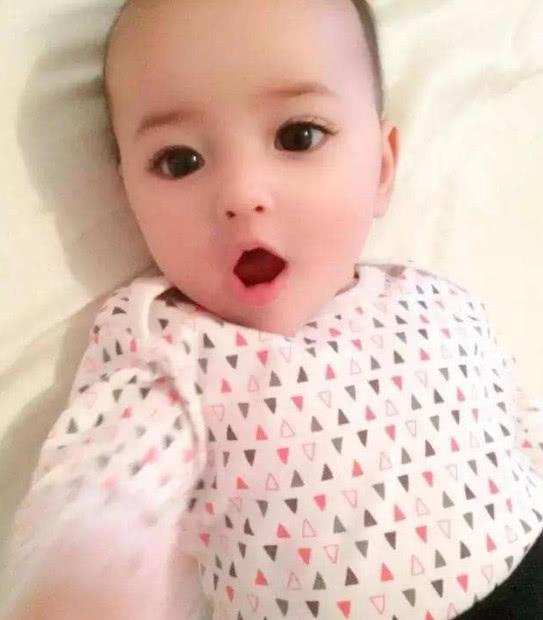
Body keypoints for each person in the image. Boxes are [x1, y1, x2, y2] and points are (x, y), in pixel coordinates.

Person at [2, 1, 542, 618]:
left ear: (382, 167)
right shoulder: (168, 349)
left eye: (298, 136)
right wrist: (78, 582)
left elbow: (521, 423)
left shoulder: (438, 300)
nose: (241, 194)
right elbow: (103, 492)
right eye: (180, 161)